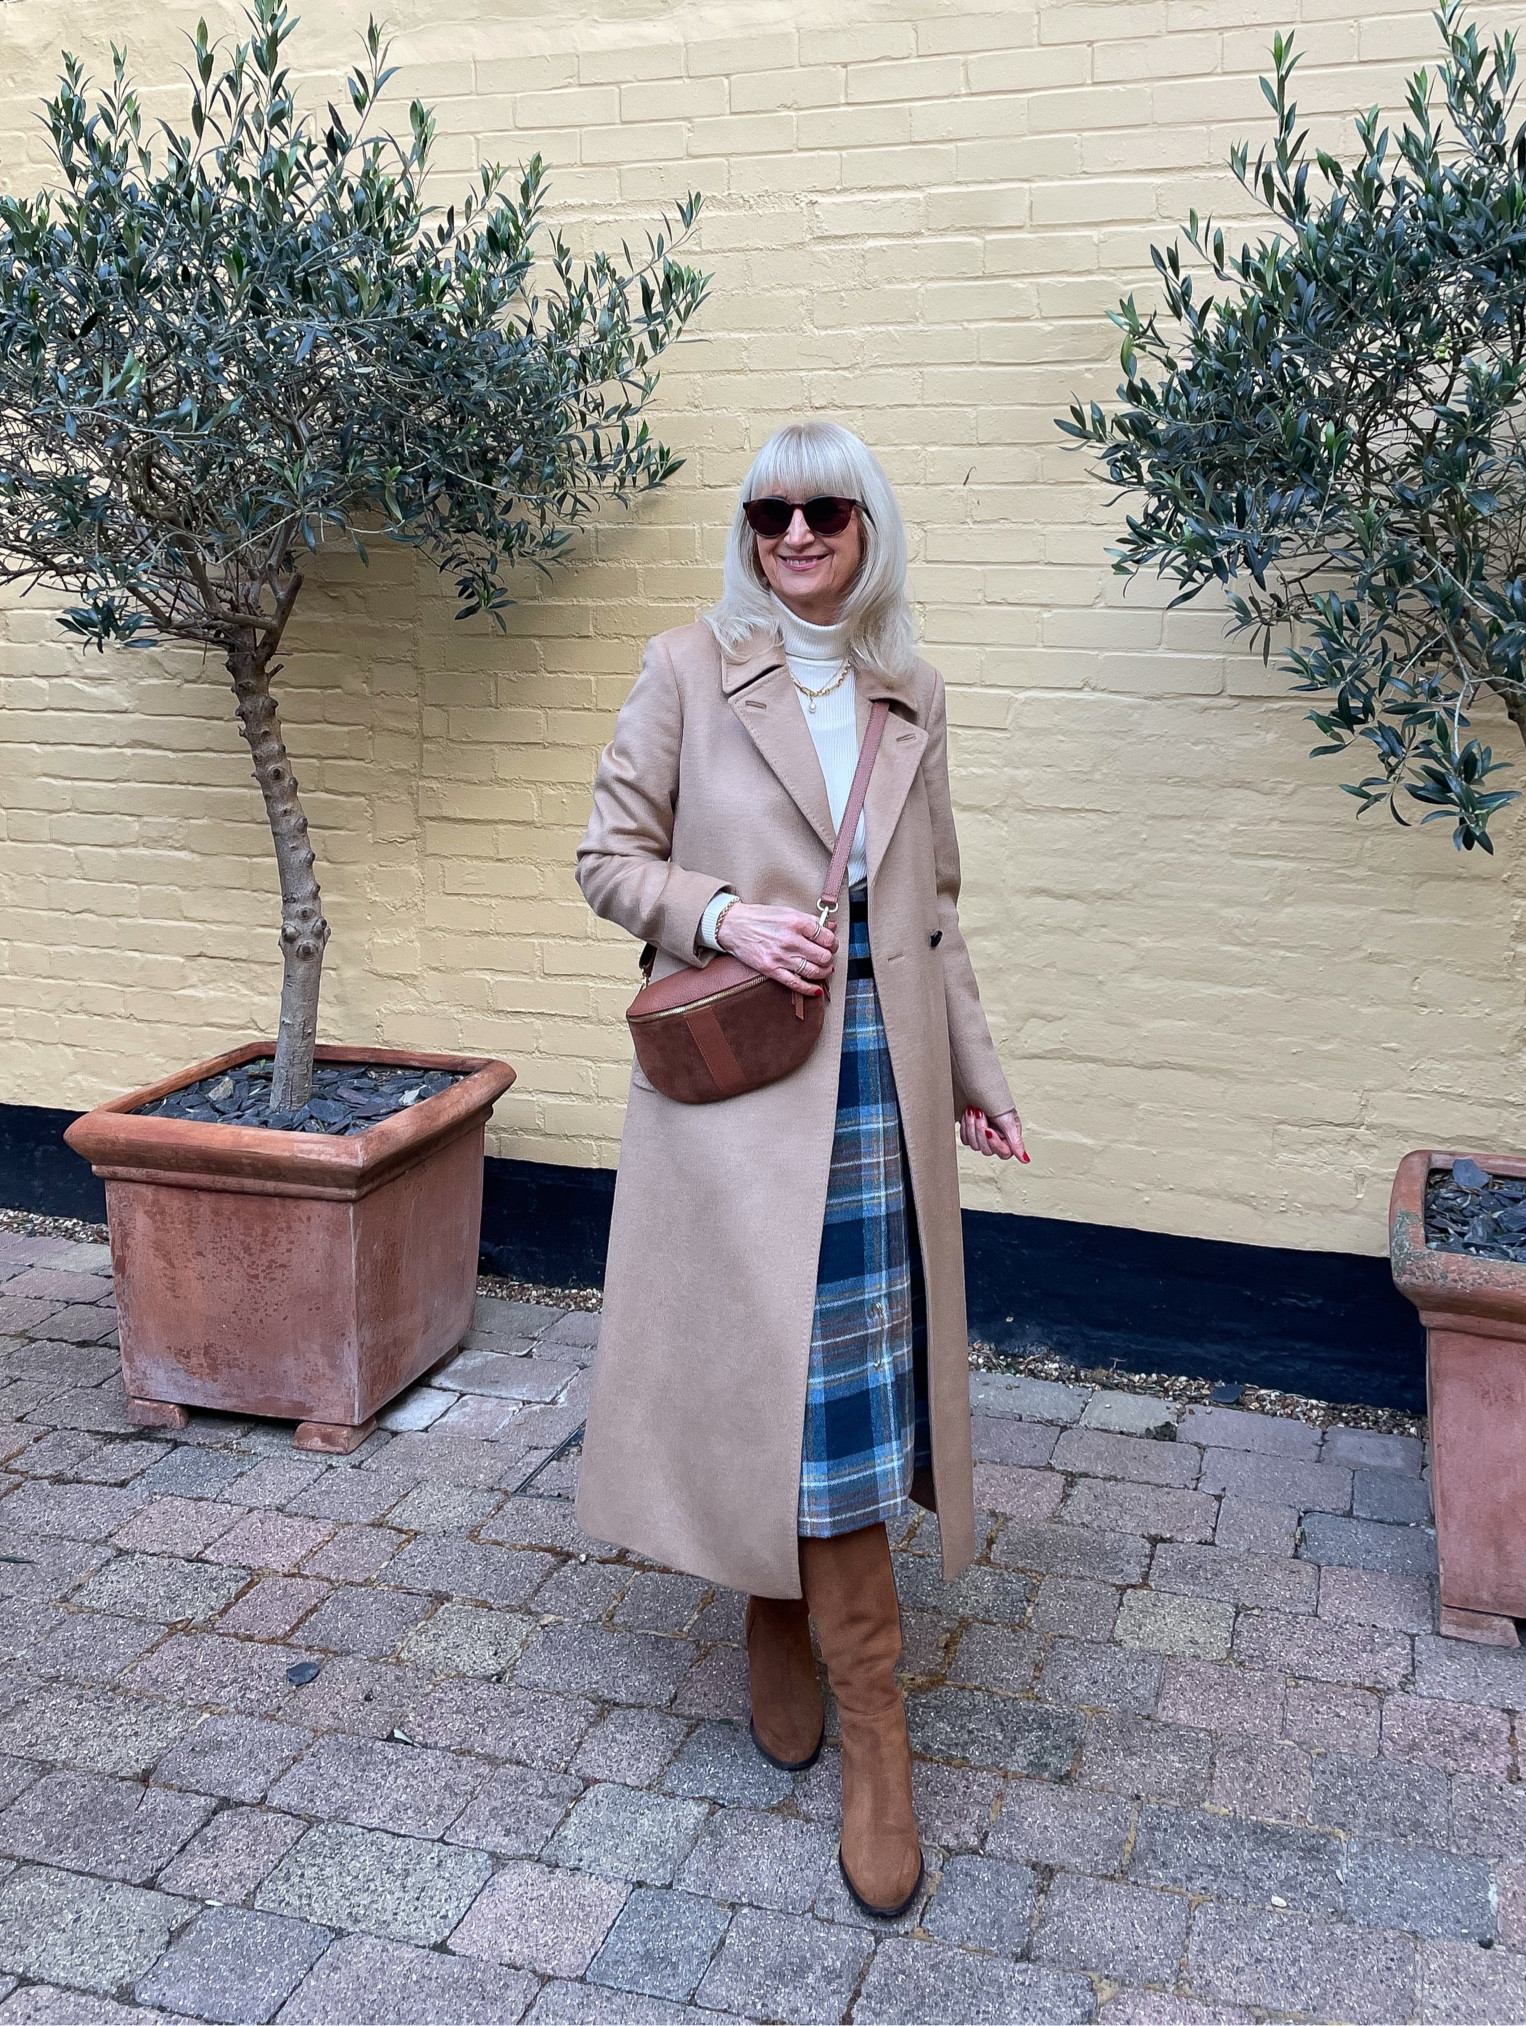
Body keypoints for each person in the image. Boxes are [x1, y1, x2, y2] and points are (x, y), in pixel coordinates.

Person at [575, 419, 1026, 1918]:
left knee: (841, 1385)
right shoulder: (687, 666)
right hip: (746, 1095)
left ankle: (849, 1696)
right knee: (780, 1369)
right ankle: (833, 1666)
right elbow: (607, 856)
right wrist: (721, 919)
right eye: (769, 511)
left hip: (879, 1092)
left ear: (866, 525)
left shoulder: (913, 689)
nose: (794, 534)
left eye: (823, 509)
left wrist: (973, 1077)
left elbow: (937, 904)